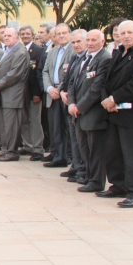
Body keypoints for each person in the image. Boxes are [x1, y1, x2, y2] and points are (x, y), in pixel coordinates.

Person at [98, 21, 133, 207]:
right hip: (113, 112)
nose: (126, 36)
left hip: (131, 114)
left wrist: (114, 98)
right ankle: (118, 185)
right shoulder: (118, 53)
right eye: (122, 33)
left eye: (130, 32)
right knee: (113, 152)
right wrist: (107, 99)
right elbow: (106, 80)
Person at [68, 29, 110, 192]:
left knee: (95, 150)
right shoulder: (85, 58)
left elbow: (96, 88)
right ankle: (89, 176)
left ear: (102, 41)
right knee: (84, 148)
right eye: (89, 40)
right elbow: (72, 82)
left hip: (93, 113)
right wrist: (71, 103)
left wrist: (80, 106)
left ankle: (96, 181)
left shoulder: (104, 58)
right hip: (78, 112)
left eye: (94, 40)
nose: (90, 43)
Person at [0, 27, 29, 162]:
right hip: (5, 93)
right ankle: (6, 148)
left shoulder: (20, 52)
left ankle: (12, 151)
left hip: (13, 94)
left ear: (17, 37)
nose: (6, 37)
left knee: (12, 125)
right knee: (5, 124)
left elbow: (14, 74)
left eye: (9, 35)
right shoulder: (8, 50)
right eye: (4, 35)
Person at [42, 23, 74, 168]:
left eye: (64, 33)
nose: (61, 36)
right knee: (55, 127)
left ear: (70, 33)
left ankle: (67, 156)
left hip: (65, 93)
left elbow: (70, 74)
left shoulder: (74, 50)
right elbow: (45, 71)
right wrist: (49, 88)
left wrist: (59, 89)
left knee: (66, 127)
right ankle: (57, 155)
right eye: (58, 34)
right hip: (52, 93)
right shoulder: (53, 51)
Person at [60, 29, 88, 182]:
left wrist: (73, 100)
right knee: (74, 139)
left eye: (79, 41)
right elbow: (68, 79)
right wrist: (63, 92)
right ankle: (77, 167)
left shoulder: (87, 58)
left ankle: (83, 170)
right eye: (74, 42)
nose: (76, 45)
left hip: (80, 105)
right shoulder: (75, 57)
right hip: (70, 102)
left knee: (81, 140)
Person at [18, 26, 45, 160]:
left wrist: (38, 93)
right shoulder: (19, 50)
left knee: (35, 121)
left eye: (28, 33)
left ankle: (38, 149)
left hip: (34, 93)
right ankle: (27, 145)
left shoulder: (39, 51)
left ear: (33, 35)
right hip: (21, 93)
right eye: (22, 34)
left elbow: (38, 73)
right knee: (24, 120)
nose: (25, 35)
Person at [36, 24, 56, 160]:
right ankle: (55, 152)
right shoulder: (49, 49)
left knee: (58, 126)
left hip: (60, 93)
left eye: (42, 32)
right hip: (47, 90)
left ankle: (62, 154)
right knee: (50, 122)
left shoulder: (53, 49)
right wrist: (46, 88)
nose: (39, 34)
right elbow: (43, 71)